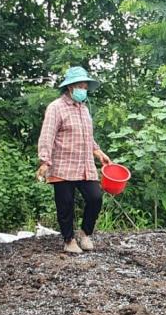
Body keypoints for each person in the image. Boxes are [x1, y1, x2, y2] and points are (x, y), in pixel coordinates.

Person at [37, 66, 112, 254]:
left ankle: (85, 233)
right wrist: (45, 161)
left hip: (85, 164)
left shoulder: (83, 109)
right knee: (65, 204)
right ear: (69, 87)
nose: (83, 89)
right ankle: (68, 240)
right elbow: (47, 135)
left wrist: (98, 152)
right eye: (80, 85)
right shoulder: (56, 107)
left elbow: (87, 135)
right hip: (63, 164)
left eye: (85, 86)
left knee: (95, 198)